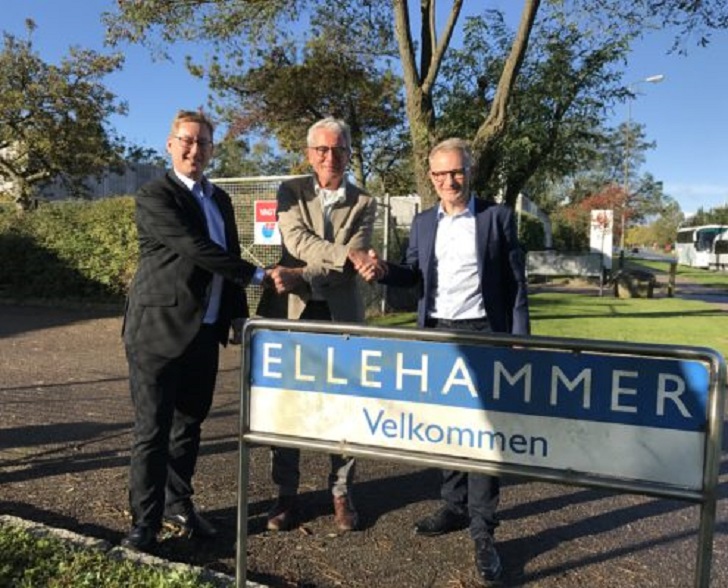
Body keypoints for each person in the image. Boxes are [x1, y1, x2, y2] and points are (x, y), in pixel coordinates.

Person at [361, 138, 530, 584]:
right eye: (439, 175)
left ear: (469, 172)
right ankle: (454, 507)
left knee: (482, 433)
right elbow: (413, 274)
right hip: (436, 334)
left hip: (483, 334)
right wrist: (384, 271)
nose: (448, 181)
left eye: (455, 173)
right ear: (431, 177)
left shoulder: (497, 217)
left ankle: (484, 531)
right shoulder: (422, 222)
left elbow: (515, 283)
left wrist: (518, 339)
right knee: (445, 426)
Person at [121, 109, 269, 553]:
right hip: (157, 330)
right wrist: (260, 276)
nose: (194, 149)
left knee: (189, 425)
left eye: (203, 142)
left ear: (212, 149)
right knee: (152, 430)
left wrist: (239, 315)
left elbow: (228, 254)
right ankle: (143, 524)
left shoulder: (220, 199)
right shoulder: (155, 195)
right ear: (170, 144)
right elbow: (197, 250)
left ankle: (177, 503)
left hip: (205, 332)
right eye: (186, 140)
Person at [257, 117, 379, 533]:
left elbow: (352, 266)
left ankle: (341, 492)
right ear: (309, 154)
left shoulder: (365, 203)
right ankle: (286, 495)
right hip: (292, 314)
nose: (331, 157)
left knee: (342, 408)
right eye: (322, 150)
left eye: (339, 149)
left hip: (340, 317)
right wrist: (344, 256)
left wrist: (303, 274)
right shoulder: (290, 191)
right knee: (287, 407)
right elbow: (297, 242)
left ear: (348, 153)